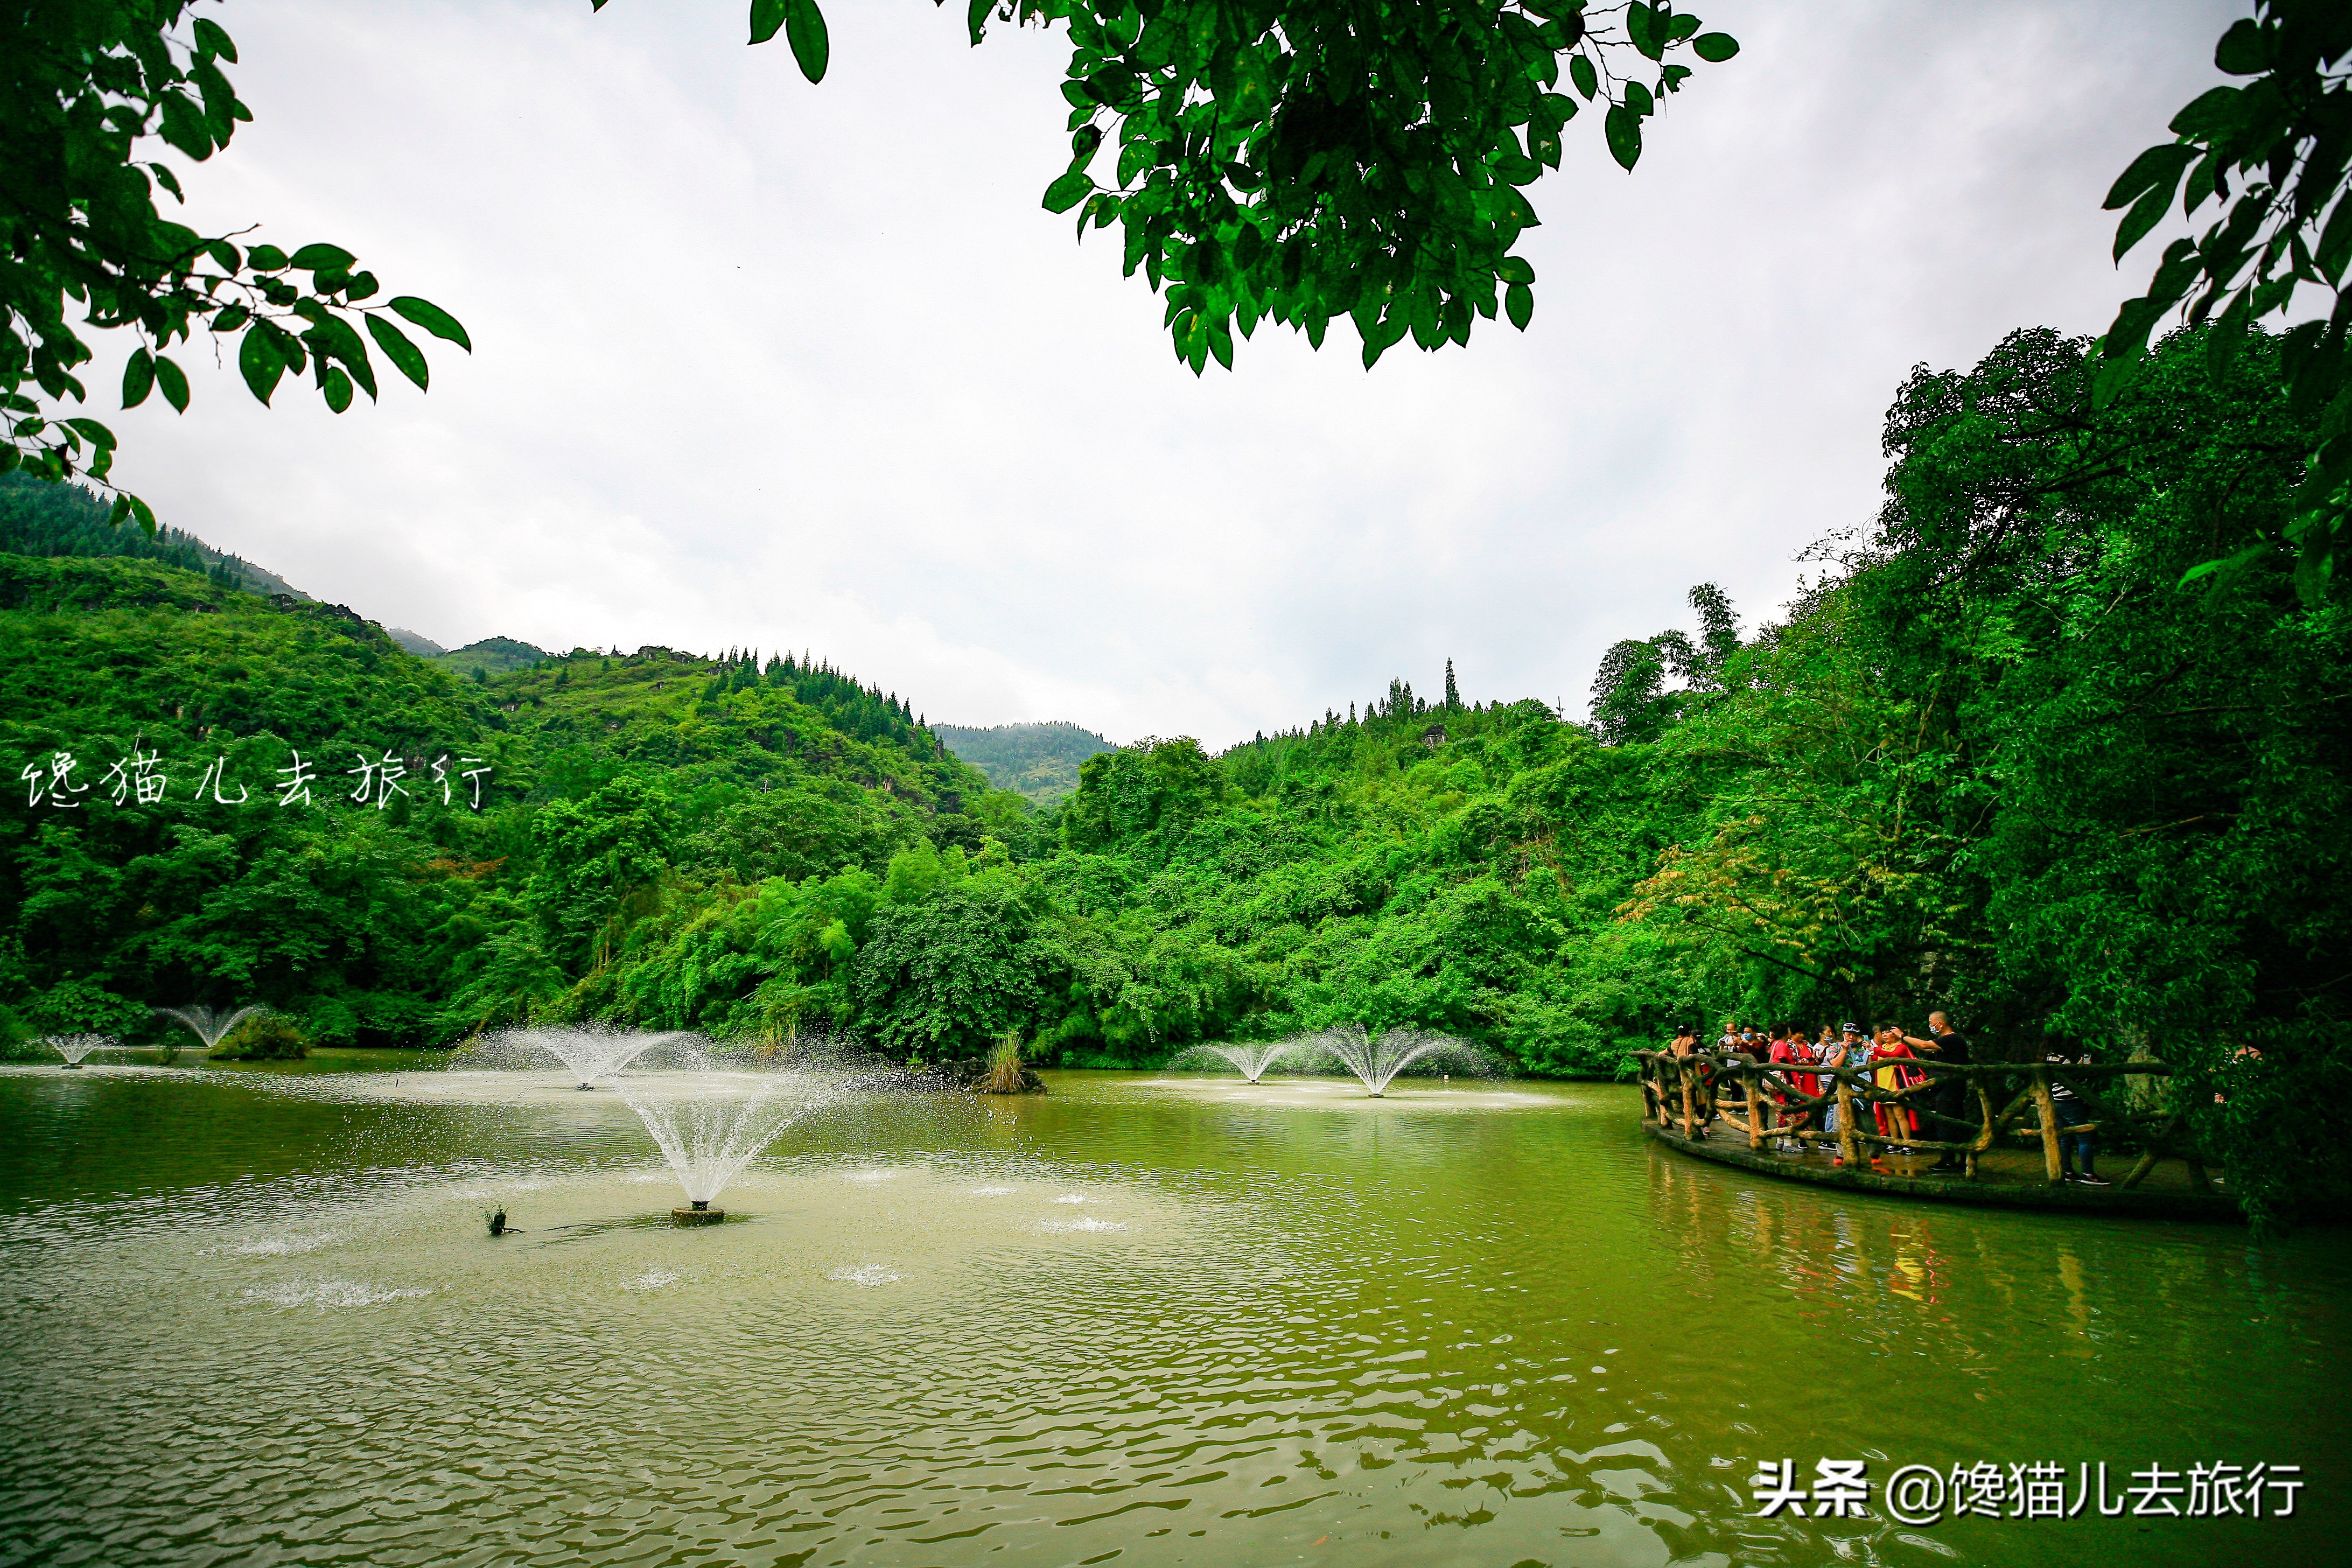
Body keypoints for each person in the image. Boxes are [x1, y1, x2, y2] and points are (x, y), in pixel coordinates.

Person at [1901, 1011, 1973, 1172]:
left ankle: (1948, 1161)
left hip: (1950, 1089)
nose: (1930, 1026)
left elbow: (1924, 1045)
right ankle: (1963, 1159)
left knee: (1946, 1123)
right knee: (1956, 1123)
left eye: (1931, 1022)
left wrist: (1903, 1037)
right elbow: (1928, 1048)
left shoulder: (1952, 1039)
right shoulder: (1947, 1042)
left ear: (1940, 1024)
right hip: (1950, 1088)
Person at [2045, 1041, 2108, 1185]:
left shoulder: (2046, 1058)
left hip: (2054, 1101)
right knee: (2084, 1136)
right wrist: (2083, 1069)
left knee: (2064, 1138)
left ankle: (2067, 1172)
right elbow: (2074, 1081)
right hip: (2070, 1101)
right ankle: (2089, 1174)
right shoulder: (2062, 1059)